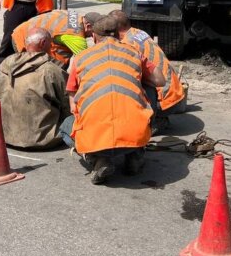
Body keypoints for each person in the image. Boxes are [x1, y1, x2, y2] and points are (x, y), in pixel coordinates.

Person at [61, 16, 165, 185]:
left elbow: (72, 100)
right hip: (134, 133)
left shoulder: (81, 58)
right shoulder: (134, 53)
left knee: (66, 126)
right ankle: (135, 154)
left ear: (94, 37)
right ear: (119, 35)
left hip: (96, 138)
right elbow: (160, 80)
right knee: (150, 89)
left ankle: (97, 159)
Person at [0, 27, 69, 150]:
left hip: (5, 136)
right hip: (41, 139)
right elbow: (69, 103)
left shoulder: (4, 66)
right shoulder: (50, 70)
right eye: (50, 44)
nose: (51, 48)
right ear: (43, 43)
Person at [109, 9, 187, 117]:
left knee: (128, 81)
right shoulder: (139, 32)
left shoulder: (128, 44)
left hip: (165, 101)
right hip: (176, 93)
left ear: (115, 28)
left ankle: (153, 120)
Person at [11, 11, 103, 69]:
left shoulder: (74, 15)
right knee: (46, 73)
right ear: (88, 26)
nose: (93, 36)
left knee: (62, 60)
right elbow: (87, 61)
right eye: (95, 32)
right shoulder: (76, 35)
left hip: (23, 31)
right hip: (25, 40)